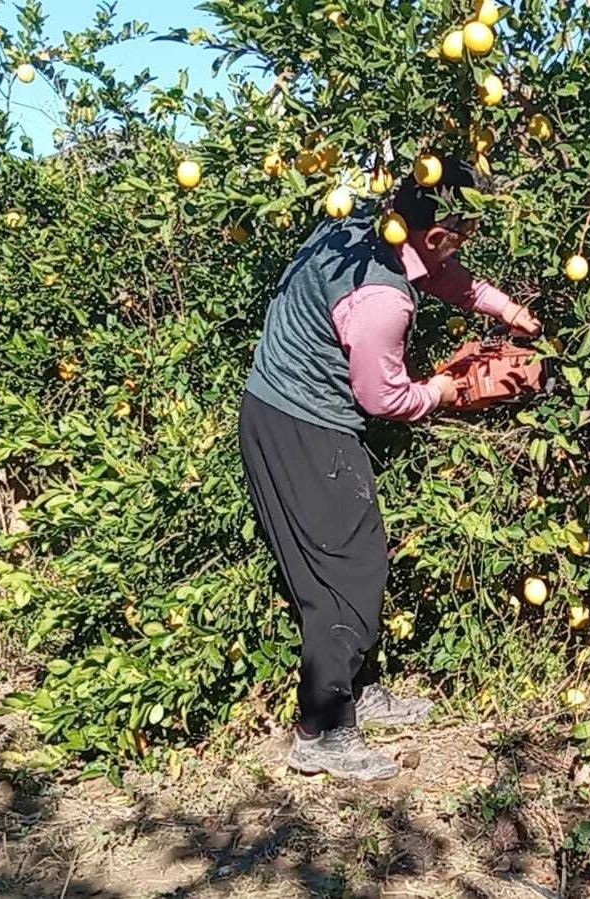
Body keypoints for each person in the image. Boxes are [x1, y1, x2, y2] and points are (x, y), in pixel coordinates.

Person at [238, 157, 541, 780]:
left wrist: (503, 308)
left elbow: (436, 273)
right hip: (302, 425)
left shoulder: (357, 226)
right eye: (464, 233)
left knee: (360, 554)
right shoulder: (382, 300)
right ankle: (321, 731)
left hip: (278, 407)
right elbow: (385, 399)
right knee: (345, 571)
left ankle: (358, 688)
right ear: (436, 234)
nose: (466, 244)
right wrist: (450, 392)